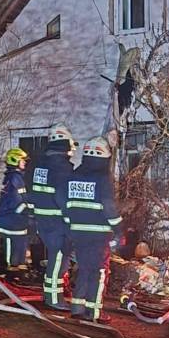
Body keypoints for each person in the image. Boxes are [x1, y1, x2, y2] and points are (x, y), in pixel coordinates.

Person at [60, 136, 123, 323]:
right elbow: (109, 207)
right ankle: (94, 313)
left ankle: (78, 308)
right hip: (98, 235)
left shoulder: (75, 174)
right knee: (99, 272)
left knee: (85, 269)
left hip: (78, 234)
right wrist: (119, 228)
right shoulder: (103, 177)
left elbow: (66, 203)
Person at [28, 123, 76, 310]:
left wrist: (33, 216)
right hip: (57, 222)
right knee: (59, 260)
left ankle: (51, 296)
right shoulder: (62, 168)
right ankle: (54, 299)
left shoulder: (39, 164)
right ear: (66, 145)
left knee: (56, 258)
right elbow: (63, 198)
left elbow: (32, 193)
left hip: (44, 220)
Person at [0, 147, 31, 274]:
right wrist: (28, 209)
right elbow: (15, 202)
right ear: (15, 160)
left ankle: (19, 267)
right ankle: (12, 269)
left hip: (16, 221)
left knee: (20, 243)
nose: (25, 162)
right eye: (22, 160)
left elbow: (22, 198)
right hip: (10, 220)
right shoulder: (13, 179)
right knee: (12, 245)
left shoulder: (17, 178)